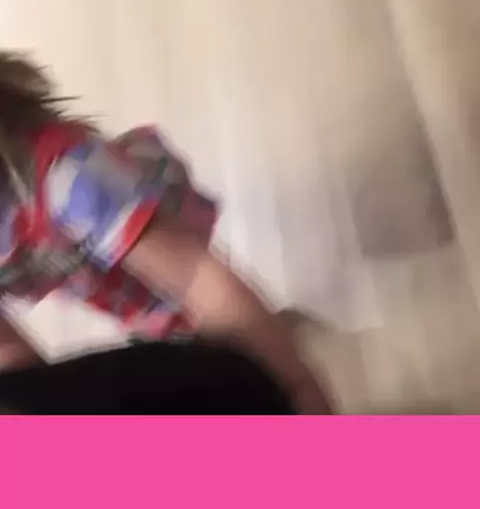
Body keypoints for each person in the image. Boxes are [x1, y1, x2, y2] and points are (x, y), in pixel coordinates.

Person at [0, 51, 332, 415]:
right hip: (111, 286)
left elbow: (195, 278)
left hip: (147, 238)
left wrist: (301, 394)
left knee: (229, 343)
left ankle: (276, 346)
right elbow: (16, 370)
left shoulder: (67, 179)